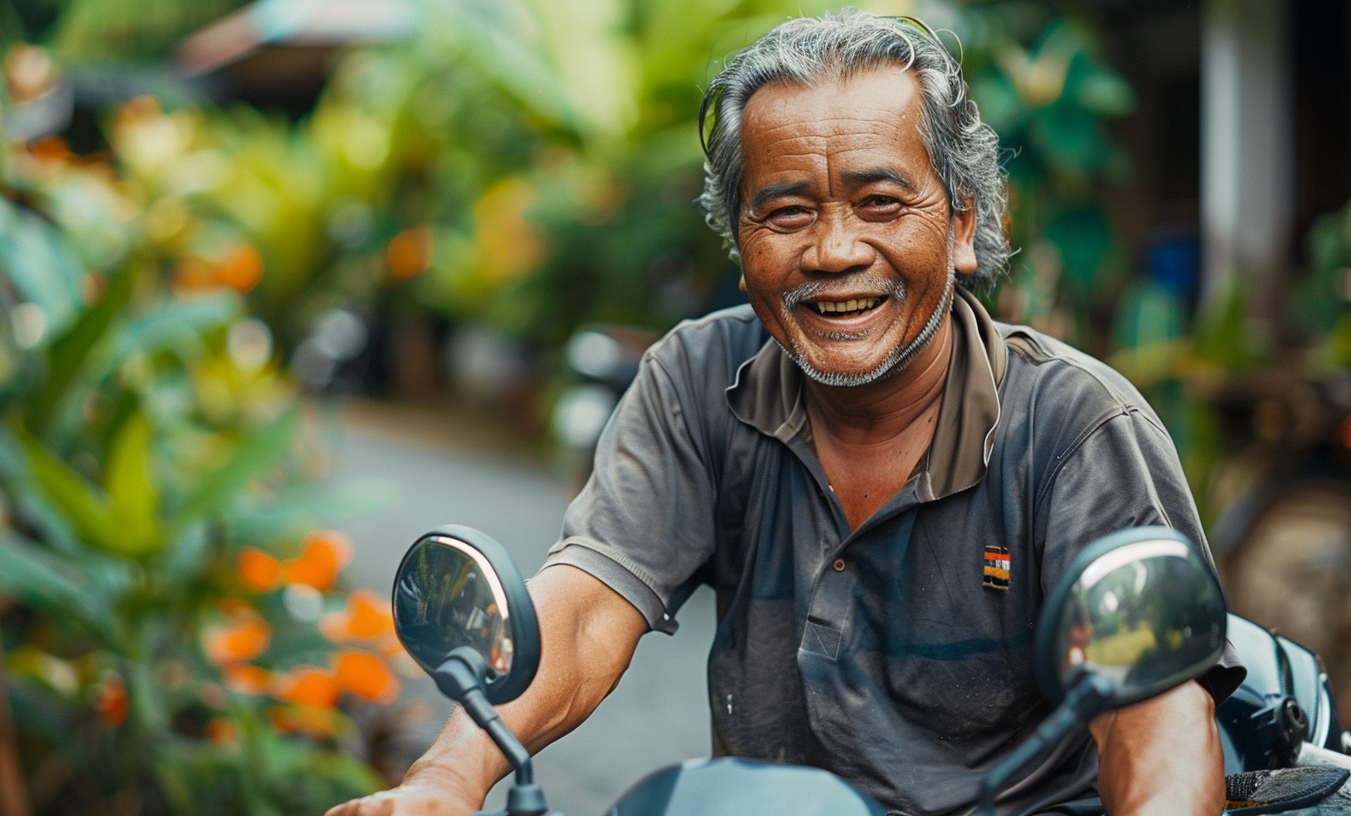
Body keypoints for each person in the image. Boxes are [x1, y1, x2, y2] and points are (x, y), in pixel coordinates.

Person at [329, 11, 1243, 816]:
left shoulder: (1078, 427)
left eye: (882, 202)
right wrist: (445, 779)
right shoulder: (697, 379)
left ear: (962, 226)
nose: (835, 250)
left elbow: (1154, 717)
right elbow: (581, 610)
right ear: (740, 244)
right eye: (787, 212)